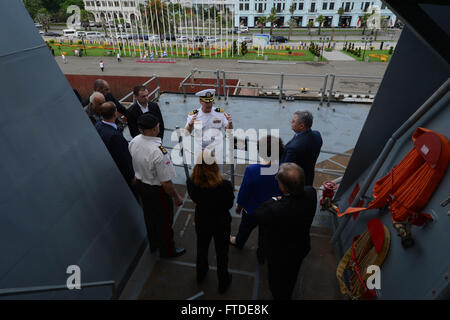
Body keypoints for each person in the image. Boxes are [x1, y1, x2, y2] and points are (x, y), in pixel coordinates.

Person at [254, 163, 317, 300]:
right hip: (300, 246)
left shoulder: (275, 209)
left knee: (277, 280)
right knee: (292, 275)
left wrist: (275, 199)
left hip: (279, 253)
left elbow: (259, 214)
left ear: (283, 188)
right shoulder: (311, 193)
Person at [129, 114, 185, 258]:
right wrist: (176, 196)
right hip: (157, 191)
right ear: (154, 129)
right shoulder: (159, 152)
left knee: (149, 217)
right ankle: (167, 250)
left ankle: (154, 244)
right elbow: (166, 183)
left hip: (141, 186)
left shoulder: (134, 141)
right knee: (164, 221)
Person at [230, 135, 284, 264]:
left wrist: (239, 207)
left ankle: (239, 242)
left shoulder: (252, 170)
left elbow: (244, 192)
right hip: (273, 210)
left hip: (252, 210)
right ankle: (261, 255)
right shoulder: (285, 168)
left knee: (245, 228)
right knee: (265, 234)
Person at [187, 150, 234, 294]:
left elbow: (194, 199)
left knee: (201, 248)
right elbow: (229, 205)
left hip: (202, 219)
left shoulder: (191, 182)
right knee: (222, 253)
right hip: (221, 222)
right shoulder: (224, 185)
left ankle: (201, 274)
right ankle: (223, 282)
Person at [95, 101, 136, 189]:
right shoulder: (115, 136)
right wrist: (132, 176)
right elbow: (124, 158)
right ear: (115, 113)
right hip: (122, 176)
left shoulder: (98, 125)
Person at [280, 110, 322, 186]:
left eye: (293, 121)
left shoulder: (294, 148)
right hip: (308, 179)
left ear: (302, 126)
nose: (291, 123)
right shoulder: (317, 135)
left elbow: (285, 169)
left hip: (294, 184)